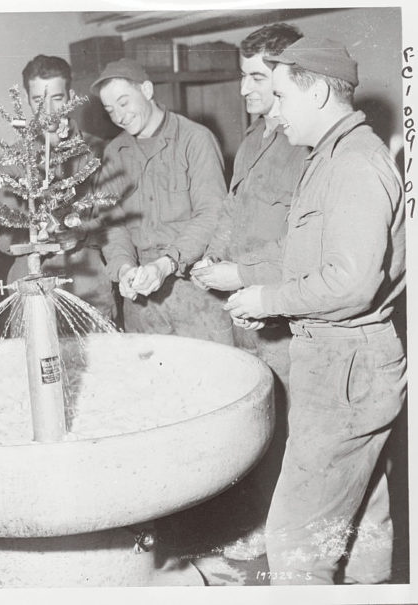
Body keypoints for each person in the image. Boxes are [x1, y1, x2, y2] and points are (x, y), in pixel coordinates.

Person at [224, 38, 406, 584]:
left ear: (320, 90)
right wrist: (274, 306)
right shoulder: (330, 156)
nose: (272, 111)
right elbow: (322, 263)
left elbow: (350, 283)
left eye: (279, 95)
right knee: (362, 528)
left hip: (342, 370)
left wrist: (269, 298)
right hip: (346, 362)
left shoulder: (351, 164)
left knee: (296, 548)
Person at [189, 23, 307, 559]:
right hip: (248, 313)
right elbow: (234, 212)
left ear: (289, 74)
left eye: (256, 77)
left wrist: (244, 275)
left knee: (295, 436)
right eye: (243, 76)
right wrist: (211, 257)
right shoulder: (256, 139)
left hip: (287, 316)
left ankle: (286, 543)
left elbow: (303, 247)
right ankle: (262, 527)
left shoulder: (306, 144)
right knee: (261, 427)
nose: (244, 89)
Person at [91, 58, 231, 342]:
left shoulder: (195, 139)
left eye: (124, 102)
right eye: (110, 110)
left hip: (196, 292)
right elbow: (112, 224)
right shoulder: (114, 152)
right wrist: (124, 268)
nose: (119, 116)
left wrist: (166, 264)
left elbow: (212, 214)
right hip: (141, 303)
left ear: (147, 89)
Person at [0, 54, 115, 318]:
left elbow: (114, 223)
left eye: (57, 98)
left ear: (71, 96)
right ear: (27, 100)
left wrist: (80, 231)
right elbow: (3, 237)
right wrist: (35, 230)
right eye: (38, 100)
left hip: (88, 281)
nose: (48, 111)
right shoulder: (13, 159)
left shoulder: (98, 151)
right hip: (31, 279)